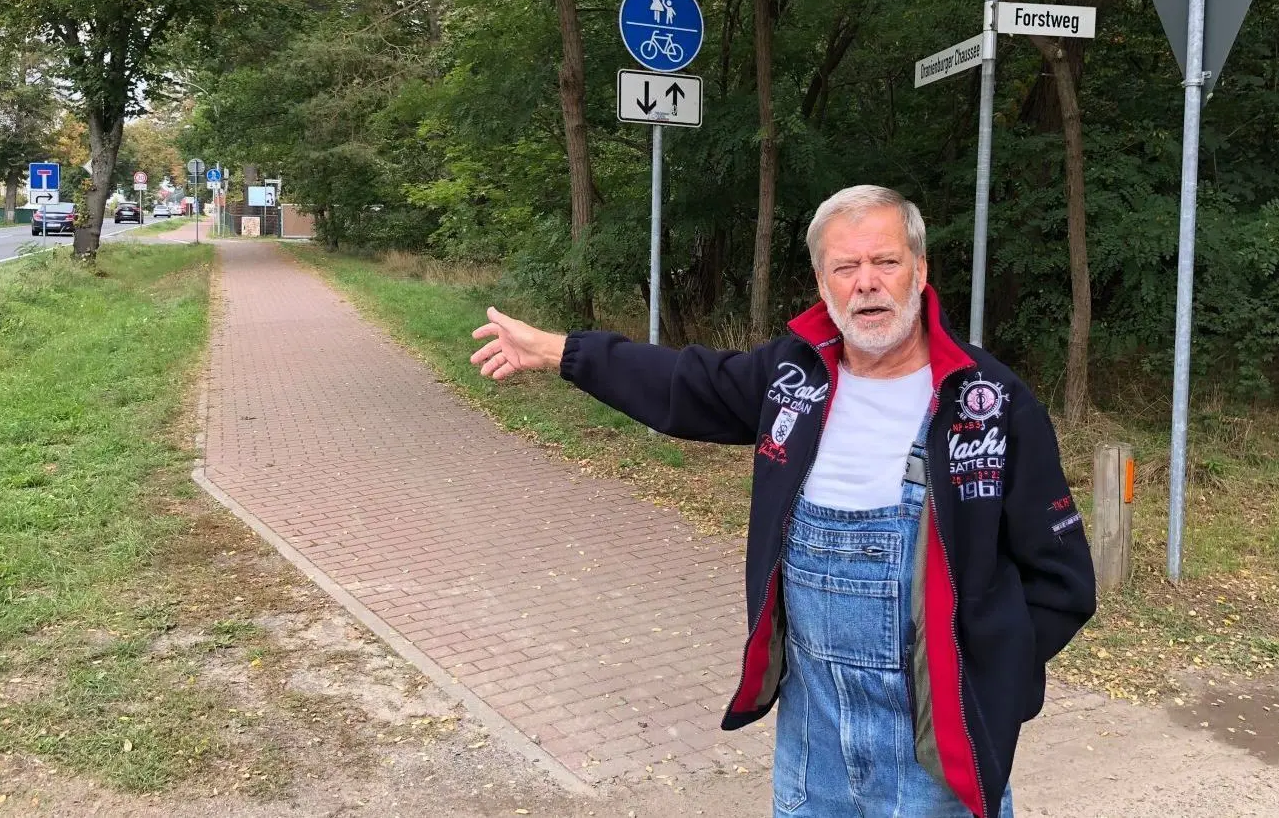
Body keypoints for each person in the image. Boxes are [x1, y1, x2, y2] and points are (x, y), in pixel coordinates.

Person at [469, 185, 1096, 818]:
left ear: (920, 269)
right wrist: (557, 350)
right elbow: (684, 383)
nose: (866, 283)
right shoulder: (794, 376)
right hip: (811, 749)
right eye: (845, 267)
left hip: (939, 761)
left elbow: (1062, 581)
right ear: (823, 283)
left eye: (885, 261)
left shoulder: (989, 402)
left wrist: (988, 670)